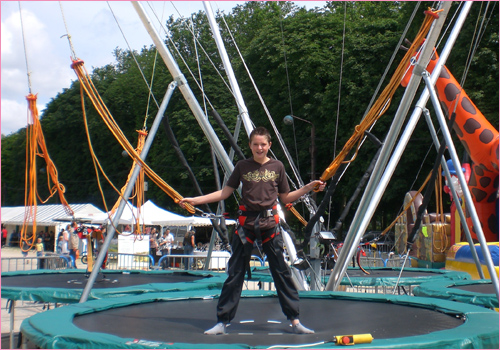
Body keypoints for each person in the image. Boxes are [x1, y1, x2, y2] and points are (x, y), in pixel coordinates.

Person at [179, 127, 326, 335]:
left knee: (281, 273)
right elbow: (224, 193)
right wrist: (195, 200)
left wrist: (308, 187)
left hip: (269, 226)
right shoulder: (242, 166)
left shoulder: (277, 166)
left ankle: (294, 320)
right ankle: (222, 321)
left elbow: (285, 198)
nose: (259, 148)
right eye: (256, 144)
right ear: (250, 145)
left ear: (269, 146)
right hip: (246, 227)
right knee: (235, 273)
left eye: (263, 144)